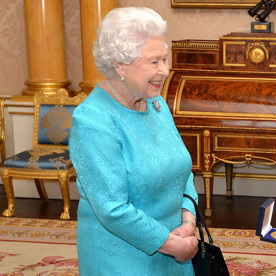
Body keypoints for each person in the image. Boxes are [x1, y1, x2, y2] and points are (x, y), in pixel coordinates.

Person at [69, 7, 199, 275]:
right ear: (119, 64)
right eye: (154, 62)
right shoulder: (93, 120)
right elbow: (112, 208)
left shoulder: (156, 103)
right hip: (121, 258)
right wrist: (170, 244)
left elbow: (181, 167)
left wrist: (188, 218)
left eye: (164, 59)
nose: (164, 70)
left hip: (176, 246)